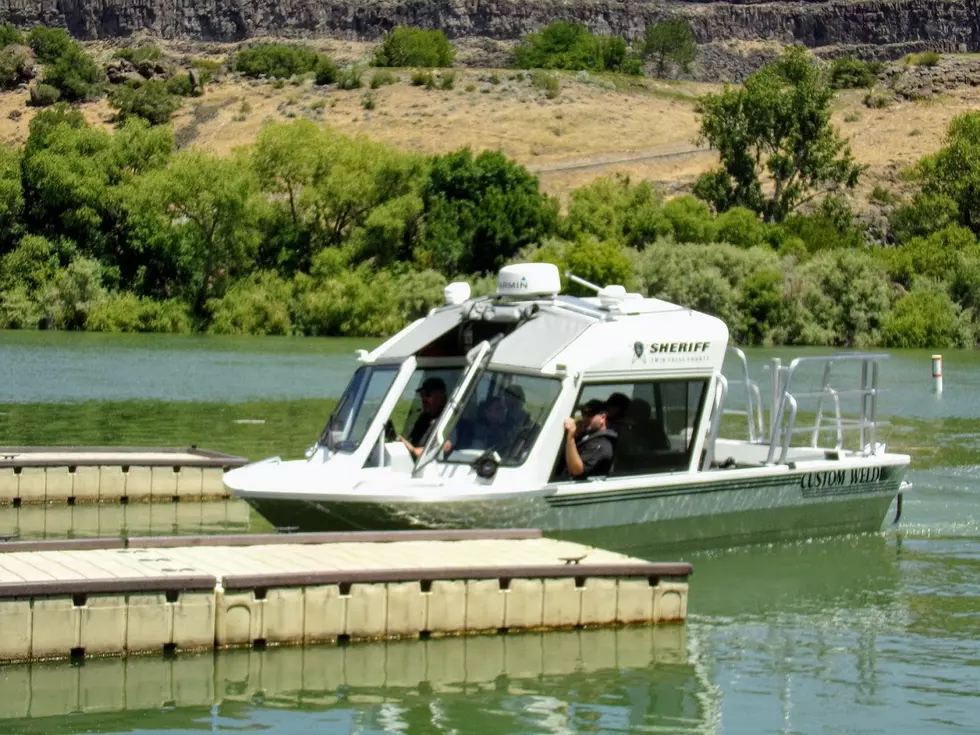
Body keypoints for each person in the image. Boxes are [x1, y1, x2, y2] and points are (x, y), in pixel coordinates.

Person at [561, 399, 618, 479]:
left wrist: (571, 436)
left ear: (602, 417)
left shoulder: (601, 444)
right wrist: (577, 436)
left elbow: (577, 470)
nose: (585, 418)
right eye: (583, 414)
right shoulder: (588, 436)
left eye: (589, 414)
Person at [398, 376, 447, 459]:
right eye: (422, 395)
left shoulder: (449, 421)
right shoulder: (423, 419)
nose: (423, 399)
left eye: (427, 395)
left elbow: (441, 448)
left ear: (440, 396)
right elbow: (412, 440)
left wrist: (402, 442)